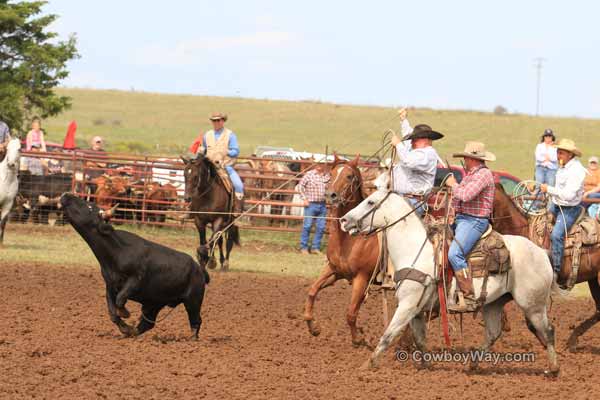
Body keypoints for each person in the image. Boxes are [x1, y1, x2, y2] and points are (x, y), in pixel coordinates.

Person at [445, 142, 496, 312]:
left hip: (475, 221)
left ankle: (468, 297)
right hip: (462, 219)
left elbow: (465, 195)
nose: (465, 160)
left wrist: (453, 184)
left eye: (466, 157)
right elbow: (459, 198)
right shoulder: (470, 175)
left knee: (455, 253)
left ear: (473, 158)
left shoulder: (483, 175)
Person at [539, 139, 586, 282]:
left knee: (556, 235)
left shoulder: (577, 171)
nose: (558, 155)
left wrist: (549, 189)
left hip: (570, 209)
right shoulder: (563, 167)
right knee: (538, 224)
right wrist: (542, 189)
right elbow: (558, 189)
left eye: (561, 152)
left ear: (570, 154)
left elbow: (569, 195)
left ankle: (556, 270)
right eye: (558, 152)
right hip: (556, 204)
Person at [390, 108, 444, 216]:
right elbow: (408, 133)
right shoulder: (419, 151)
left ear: (425, 139)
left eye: (415, 139)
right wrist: (403, 119)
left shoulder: (428, 154)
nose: (412, 141)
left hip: (413, 202)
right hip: (402, 199)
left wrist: (398, 144)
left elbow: (408, 161)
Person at [190, 112, 244, 215]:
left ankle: (237, 210)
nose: (216, 122)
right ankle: (191, 209)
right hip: (209, 167)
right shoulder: (207, 135)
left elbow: (236, 151)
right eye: (214, 120)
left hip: (225, 167)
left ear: (223, 121)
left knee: (239, 185)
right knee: (194, 180)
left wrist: (227, 151)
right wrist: (200, 152)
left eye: (218, 120)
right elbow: (204, 149)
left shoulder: (230, 135)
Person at [297, 163, 330, 255]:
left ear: (324, 165)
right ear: (315, 165)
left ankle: (315, 247)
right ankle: (303, 247)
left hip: (322, 204)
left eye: (322, 164)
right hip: (310, 204)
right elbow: (300, 186)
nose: (320, 166)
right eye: (318, 164)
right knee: (307, 225)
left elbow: (330, 188)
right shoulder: (309, 174)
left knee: (321, 227)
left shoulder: (327, 176)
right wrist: (304, 198)